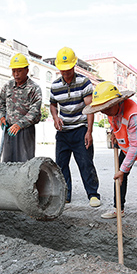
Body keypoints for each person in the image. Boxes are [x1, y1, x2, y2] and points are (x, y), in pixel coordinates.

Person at [83, 81, 137, 232]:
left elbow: (136, 146)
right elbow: (116, 124)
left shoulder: (134, 114)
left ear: (116, 102)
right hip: (132, 141)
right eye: (101, 109)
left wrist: (124, 169)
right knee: (120, 175)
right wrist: (115, 134)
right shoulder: (110, 111)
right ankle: (118, 208)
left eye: (106, 108)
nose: (104, 112)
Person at [50, 47, 100, 207]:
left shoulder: (84, 82)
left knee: (85, 163)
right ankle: (65, 194)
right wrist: (55, 117)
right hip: (63, 132)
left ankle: (93, 194)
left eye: (68, 69)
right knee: (61, 164)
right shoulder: (55, 86)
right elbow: (52, 104)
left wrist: (89, 131)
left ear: (74, 65)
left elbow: (90, 107)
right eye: (62, 70)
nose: (66, 72)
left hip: (80, 130)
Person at [0, 53, 42, 162]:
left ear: (27, 70)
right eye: (14, 71)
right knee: (8, 162)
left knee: (25, 162)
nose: (16, 74)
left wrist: (20, 124)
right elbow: (1, 103)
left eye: (19, 71)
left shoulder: (34, 88)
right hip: (9, 129)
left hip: (25, 131)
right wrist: (2, 117)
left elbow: (35, 111)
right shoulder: (7, 86)